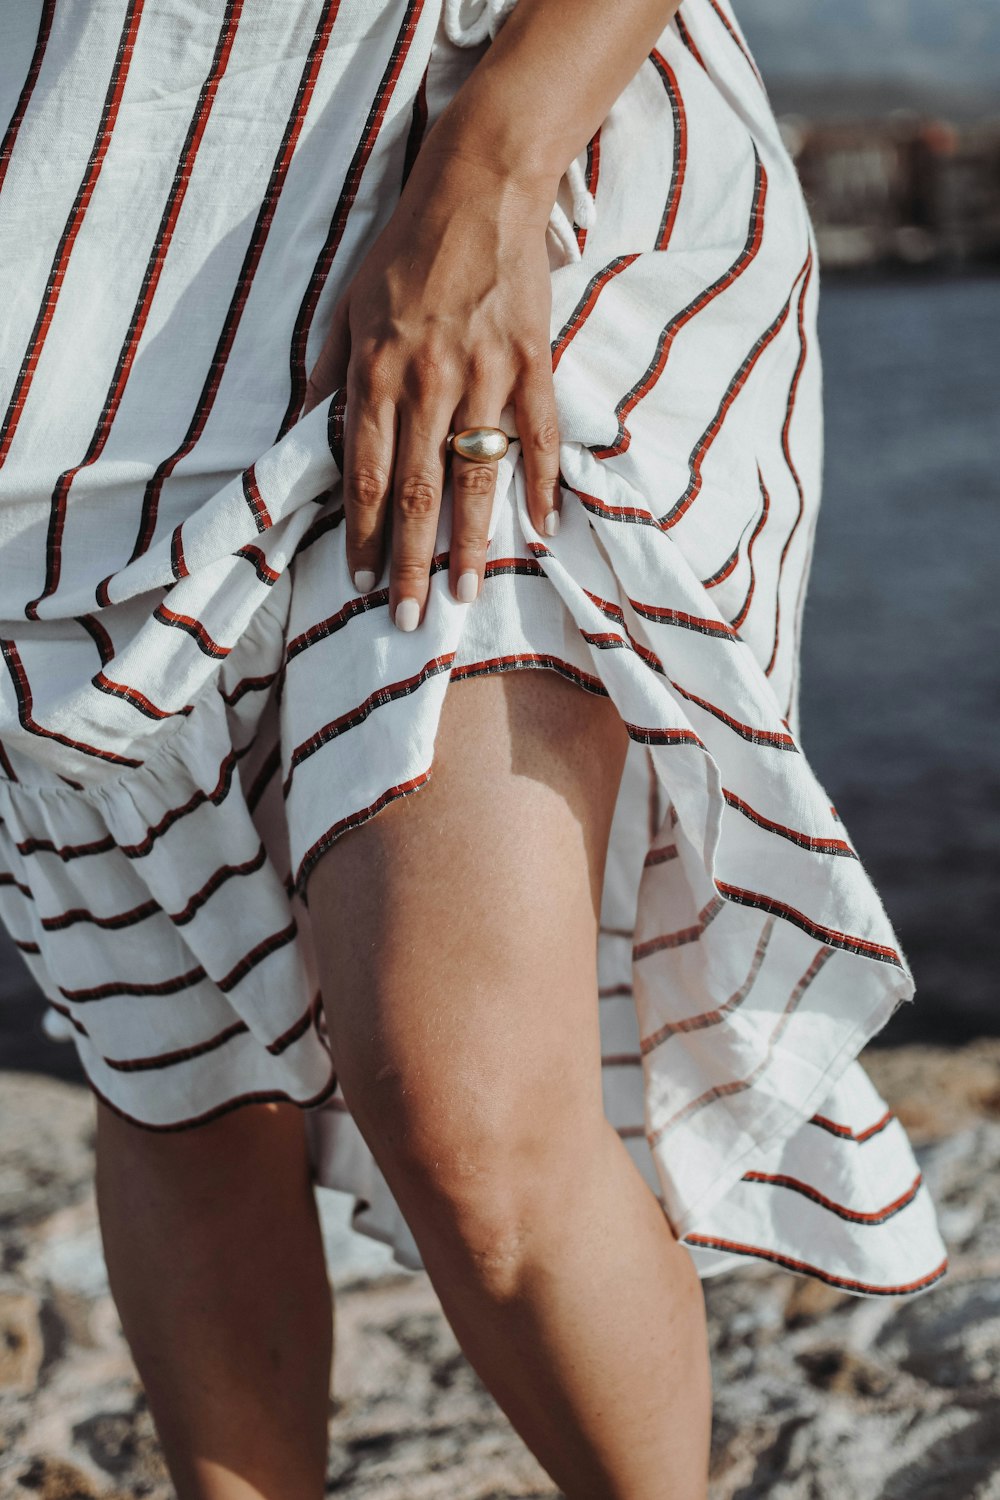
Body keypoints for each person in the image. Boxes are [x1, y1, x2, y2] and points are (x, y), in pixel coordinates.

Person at [0, 1, 948, 1495]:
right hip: (80, 275)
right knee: (177, 1072)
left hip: (500, 186)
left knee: (469, 1111)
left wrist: (490, 171)